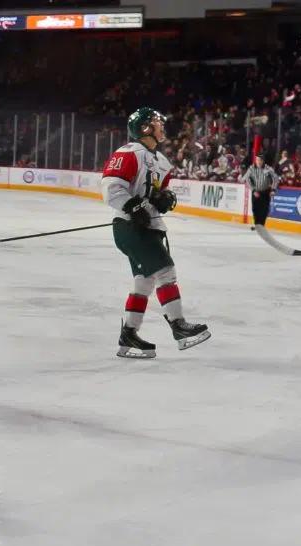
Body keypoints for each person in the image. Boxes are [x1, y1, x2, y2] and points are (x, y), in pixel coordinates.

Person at [102, 107, 210, 359]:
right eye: (157, 122)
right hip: (130, 227)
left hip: (149, 226)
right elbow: (111, 186)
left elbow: (155, 191)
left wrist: (161, 198)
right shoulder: (129, 153)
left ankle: (129, 335)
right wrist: (132, 206)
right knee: (165, 271)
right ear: (145, 128)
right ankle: (178, 326)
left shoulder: (162, 161)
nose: (162, 125)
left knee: (145, 280)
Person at [242, 154, 279, 231]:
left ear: (263, 161)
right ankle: (257, 224)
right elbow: (246, 179)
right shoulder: (252, 168)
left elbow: (276, 178)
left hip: (265, 191)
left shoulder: (268, 169)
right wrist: (253, 190)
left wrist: (273, 189)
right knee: (255, 209)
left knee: (264, 209)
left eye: (260, 160)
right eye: (257, 160)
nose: (258, 162)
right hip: (255, 191)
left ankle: (261, 225)